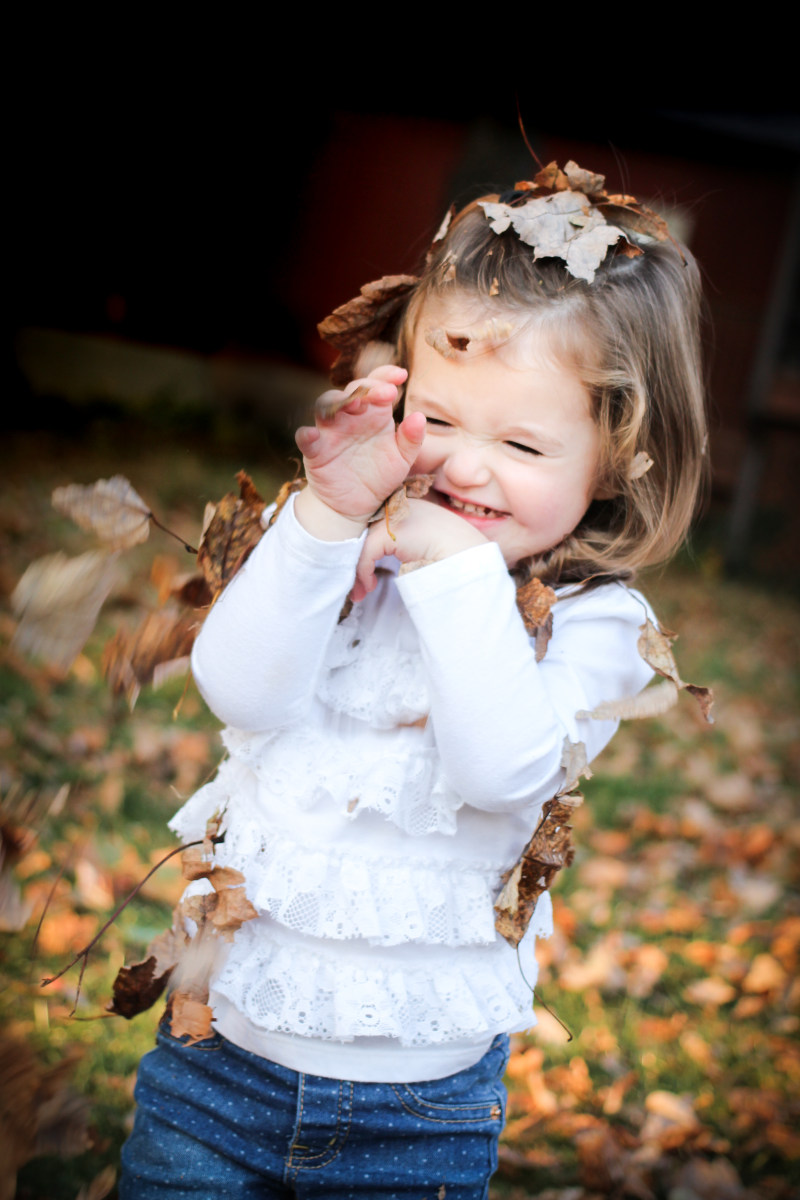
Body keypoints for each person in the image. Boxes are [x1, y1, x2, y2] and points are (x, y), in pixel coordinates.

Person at [120, 163, 707, 1199]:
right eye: (436, 420)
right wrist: (321, 521)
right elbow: (240, 693)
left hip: (414, 1113)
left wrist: (456, 574)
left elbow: (501, 772)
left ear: (614, 457)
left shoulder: (598, 625)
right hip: (213, 1066)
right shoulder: (345, 553)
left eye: (521, 442)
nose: (462, 468)